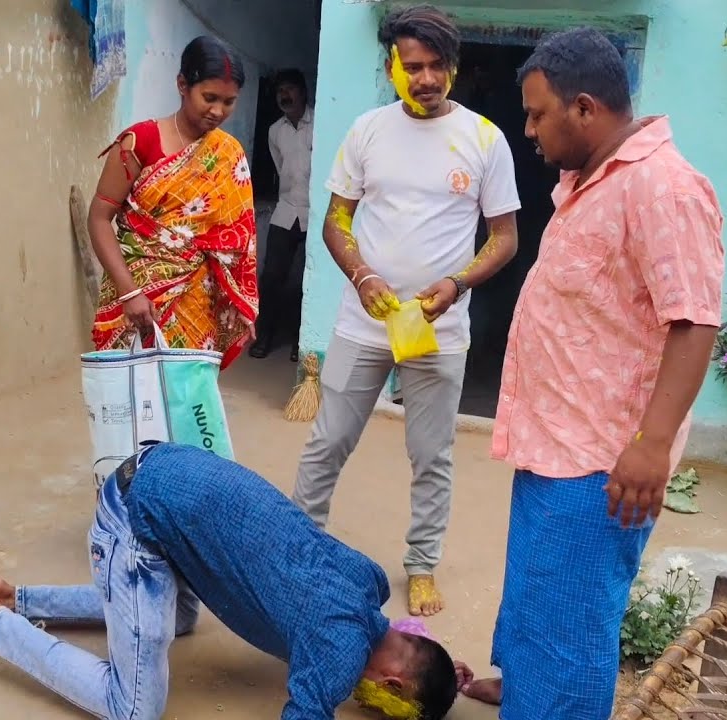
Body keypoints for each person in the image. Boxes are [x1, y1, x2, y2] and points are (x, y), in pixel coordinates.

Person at [460, 28, 725, 719]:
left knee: (570, 629)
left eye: (537, 114)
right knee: (536, 597)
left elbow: (694, 322)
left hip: (601, 465)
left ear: (584, 108)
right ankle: (524, 689)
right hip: (553, 446)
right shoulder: (590, 183)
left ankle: (548, 703)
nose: (528, 129)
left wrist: (651, 445)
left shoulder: (663, 188)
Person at [0, 442, 464, 720]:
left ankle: (16, 598)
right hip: (134, 521)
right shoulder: (337, 653)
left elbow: (373, 642)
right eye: (387, 706)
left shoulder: (369, 584)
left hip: (168, 472)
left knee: (180, 619)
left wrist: (441, 676)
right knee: (133, 707)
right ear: (392, 685)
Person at [291, 4, 521, 618]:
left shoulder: (484, 139)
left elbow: (504, 238)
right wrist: (362, 275)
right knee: (328, 440)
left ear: (454, 66)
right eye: (412, 66)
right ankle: (297, 546)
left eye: (436, 65)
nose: (425, 78)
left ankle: (421, 565)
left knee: (431, 454)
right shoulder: (367, 130)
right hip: (362, 321)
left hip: (438, 329)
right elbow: (336, 221)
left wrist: (457, 283)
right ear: (392, 64)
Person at [87, 35, 259, 369]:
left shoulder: (228, 153)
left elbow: (238, 237)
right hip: (136, 295)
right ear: (182, 85)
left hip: (197, 301)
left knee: (187, 392)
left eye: (229, 102)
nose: (218, 111)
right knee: (132, 390)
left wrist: (237, 299)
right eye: (209, 98)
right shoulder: (140, 142)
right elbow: (98, 217)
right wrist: (129, 292)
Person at [250, 68, 314, 361]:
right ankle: (265, 337)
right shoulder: (275, 131)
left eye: (289, 89)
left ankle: (302, 342)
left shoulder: (320, 123)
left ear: (303, 92)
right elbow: (280, 167)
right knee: (272, 278)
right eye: (279, 91)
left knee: (308, 282)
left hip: (315, 212)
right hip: (286, 211)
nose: (284, 96)